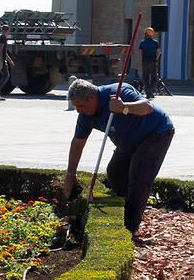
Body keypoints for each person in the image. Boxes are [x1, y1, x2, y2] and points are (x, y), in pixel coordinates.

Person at [64, 78, 175, 236]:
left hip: (155, 133)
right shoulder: (85, 116)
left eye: (80, 106)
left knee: (139, 176)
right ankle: (128, 207)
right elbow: (77, 143)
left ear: (91, 98)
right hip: (128, 141)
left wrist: (124, 107)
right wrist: (70, 174)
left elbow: (147, 107)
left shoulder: (118, 91)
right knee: (115, 172)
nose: (78, 111)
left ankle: (130, 228)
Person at [0, 24, 14, 102]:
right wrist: (1, 62)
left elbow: (4, 52)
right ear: (6, 31)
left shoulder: (2, 38)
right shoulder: (2, 38)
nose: (9, 32)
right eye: (8, 31)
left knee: (1, 77)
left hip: (1, 59)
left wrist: (10, 60)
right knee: (5, 76)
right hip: (0, 60)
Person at [139, 27, 161, 100]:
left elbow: (140, 52)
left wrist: (144, 58)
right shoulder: (155, 42)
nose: (144, 34)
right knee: (154, 77)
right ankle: (150, 90)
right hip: (152, 62)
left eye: (145, 33)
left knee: (145, 77)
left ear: (147, 34)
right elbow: (158, 52)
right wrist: (155, 59)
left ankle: (148, 93)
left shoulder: (142, 42)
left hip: (145, 62)